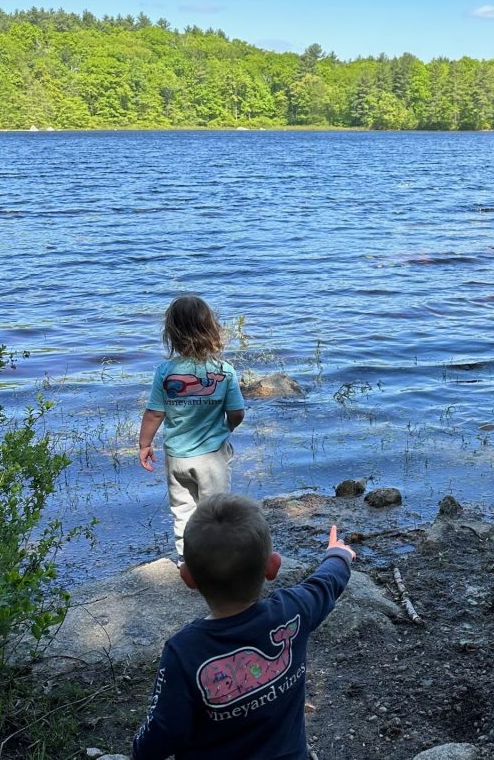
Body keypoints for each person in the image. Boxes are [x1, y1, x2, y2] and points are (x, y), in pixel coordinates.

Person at [132, 493, 356, 760]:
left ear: (187, 577)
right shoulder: (293, 611)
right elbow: (326, 583)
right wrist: (338, 555)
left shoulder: (183, 652)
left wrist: (139, 749)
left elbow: (163, 731)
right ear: (272, 567)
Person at [139, 295, 245, 561]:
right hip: (211, 457)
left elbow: (154, 413)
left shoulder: (165, 371)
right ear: (212, 328)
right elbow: (237, 412)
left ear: (171, 333)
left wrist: (144, 445)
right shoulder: (224, 370)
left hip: (176, 457)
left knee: (183, 511)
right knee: (217, 513)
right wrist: (227, 427)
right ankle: (218, 562)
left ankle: (188, 563)